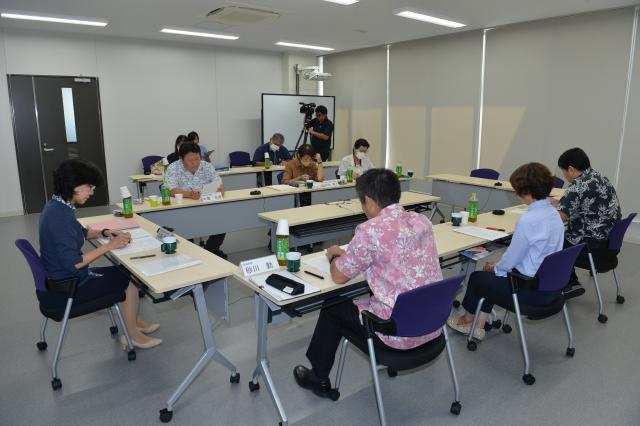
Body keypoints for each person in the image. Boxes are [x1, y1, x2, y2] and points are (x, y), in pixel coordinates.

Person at [293, 168, 443, 398]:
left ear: (370, 201)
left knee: (333, 305)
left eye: (362, 202)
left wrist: (334, 256)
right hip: (432, 321)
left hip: (397, 333)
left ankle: (318, 377)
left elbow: (339, 276)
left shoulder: (370, 230)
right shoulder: (422, 221)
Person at [39, 159, 162, 349]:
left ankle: (134, 322)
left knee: (125, 274)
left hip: (62, 278)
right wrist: (109, 246)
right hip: (71, 285)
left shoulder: (58, 206)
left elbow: (79, 232)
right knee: (129, 280)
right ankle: (132, 335)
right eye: (89, 187)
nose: (92, 192)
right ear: (74, 185)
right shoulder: (59, 217)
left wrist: (104, 232)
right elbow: (74, 263)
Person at [447, 162, 564, 340]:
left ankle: (469, 321)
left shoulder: (529, 220)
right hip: (550, 285)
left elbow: (511, 259)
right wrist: (498, 269)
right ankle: (478, 325)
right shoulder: (554, 214)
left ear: (526, 192)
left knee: (479, 278)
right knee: (489, 279)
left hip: (528, 288)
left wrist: (495, 268)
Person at [555, 148, 621, 298]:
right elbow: (587, 203)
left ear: (571, 169)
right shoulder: (601, 178)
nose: (564, 175)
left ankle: (570, 284)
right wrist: (562, 203)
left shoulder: (577, 186)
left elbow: (559, 219)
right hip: (609, 244)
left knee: (551, 242)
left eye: (563, 171)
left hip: (591, 247)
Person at [165, 142, 228, 259]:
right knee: (186, 229)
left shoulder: (207, 166)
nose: (195, 163)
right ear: (181, 159)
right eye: (190, 160)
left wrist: (220, 189)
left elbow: (218, 183)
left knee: (223, 221)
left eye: (197, 159)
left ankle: (211, 250)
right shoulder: (173, 168)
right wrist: (189, 194)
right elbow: (171, 190)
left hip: (207, 206)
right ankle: (189, 253)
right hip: (183, 210)